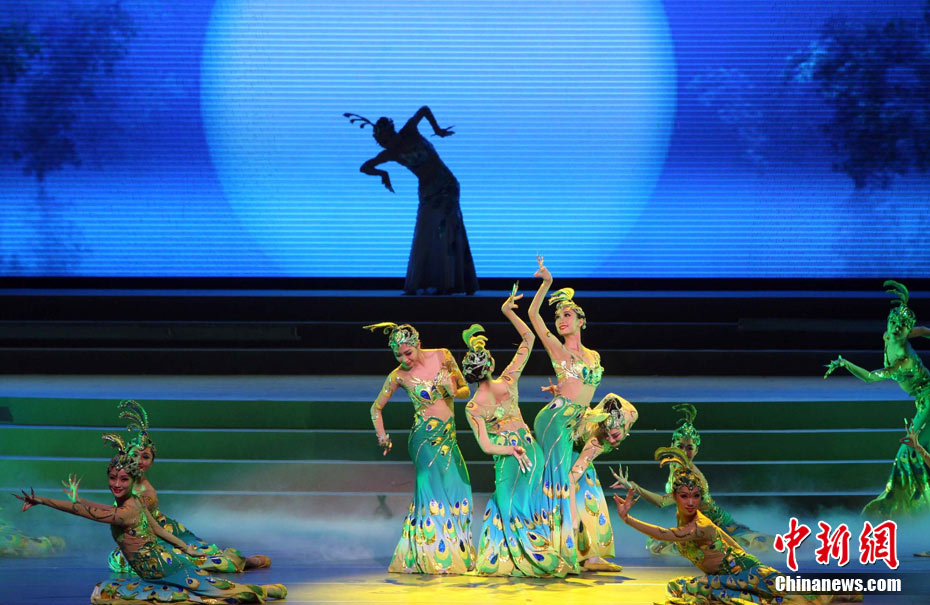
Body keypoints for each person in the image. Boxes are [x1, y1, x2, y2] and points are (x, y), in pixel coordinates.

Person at [14, 434, 286, 604]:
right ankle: (262, 589)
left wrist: (44, 500)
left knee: (207, 591)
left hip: (160, 568)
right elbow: (154, 528)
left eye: (123, 479)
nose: (116, 484)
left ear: (134, 478)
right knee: (202, 586)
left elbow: (88, 513)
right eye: (112, 478)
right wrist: (185, 548)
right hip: (162, 561)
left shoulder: (132, 508)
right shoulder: (132, 502)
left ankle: (263, 589)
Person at [613, 447, 843, 604]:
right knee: (683, 587)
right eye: (684, 496)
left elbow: (665, 534)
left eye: (695, 496)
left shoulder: (699, 524)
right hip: (730, 576)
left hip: (746, 572)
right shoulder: (683, 516)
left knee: (808, 593)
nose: (691, 502)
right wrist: (633, 486)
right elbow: (728, 541)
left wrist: (627, 519)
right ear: (675, 496)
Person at [461, 287, 572, 576]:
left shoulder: (473, 407)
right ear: (490, 364)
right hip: (530, 450)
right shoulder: (508, 380)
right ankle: (507, 558)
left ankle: (532, 559)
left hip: (513, 456)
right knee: (520, 505)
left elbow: (486, 446)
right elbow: (528, 339)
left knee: (511, 506)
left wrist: (510, 449)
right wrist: (508, 312)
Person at [527, 254, 624, 572]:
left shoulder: (593, 355)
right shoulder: (558, 349)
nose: (561, 320)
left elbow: (582, 389)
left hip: (581, 420)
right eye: (558, 317)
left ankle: (591, 554)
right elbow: (533, 315)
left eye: (567, 315)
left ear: (582, 321)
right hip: (556, 421)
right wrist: (547, 284)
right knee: (561, 482)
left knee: (587, 479)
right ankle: (561, 551)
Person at [105, 400, 270, 574]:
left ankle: (247, 562)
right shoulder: (121, 484)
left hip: (154, 540)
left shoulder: (146, 493)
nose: (139, 461)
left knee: (196, 560)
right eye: (134, 455)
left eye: (145, 457)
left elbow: (149, 527)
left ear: (152, 462)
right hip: (134, 543)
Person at [365, 322, 475, 573]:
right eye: (398, 356)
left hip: (448, 438)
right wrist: (383, 437)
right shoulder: (397, 376)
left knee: (458, 489)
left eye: (408, 353)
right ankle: (433, 556)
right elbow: (375, 408)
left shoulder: (443, 356)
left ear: (418, 345)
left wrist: (452, 390)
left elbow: (465, 391)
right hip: (423, 440)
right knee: (432, 494)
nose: (404, 360)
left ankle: (454, 551)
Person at [825, 280, 930, 517]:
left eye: (902, 327)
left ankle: (907, 507)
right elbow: (923, 330)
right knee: (914, 451)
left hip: (929, 399)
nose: (896, 328)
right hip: (921, 400)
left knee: (910, 451)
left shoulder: (903, 359)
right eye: (893, 323)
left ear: (907, 330)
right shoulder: (891, 335)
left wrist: (845, 363)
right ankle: (912, 507)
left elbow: (871, 378)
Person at [346, 107, 478, 295]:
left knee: (445, 231)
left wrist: (438, 130)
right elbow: (365, 167)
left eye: (386, 140)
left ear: (392, 132)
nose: (385, 144)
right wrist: (383, 173)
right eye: (381, 143)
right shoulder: (390, 153)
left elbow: (424, 110)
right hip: (427, 192)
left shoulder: (409, 131)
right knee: (425, 233)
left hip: (446, 185)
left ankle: (450, 282)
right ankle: (429, 282)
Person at [611, 403, 772, 554]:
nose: (683, 452)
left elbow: (662, 502)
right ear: (672, 445)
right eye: (680, 446)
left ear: (696, 451)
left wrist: (633, 486)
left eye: (689, 448)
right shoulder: (675, 467)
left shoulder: (690, 476)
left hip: (715, 526)